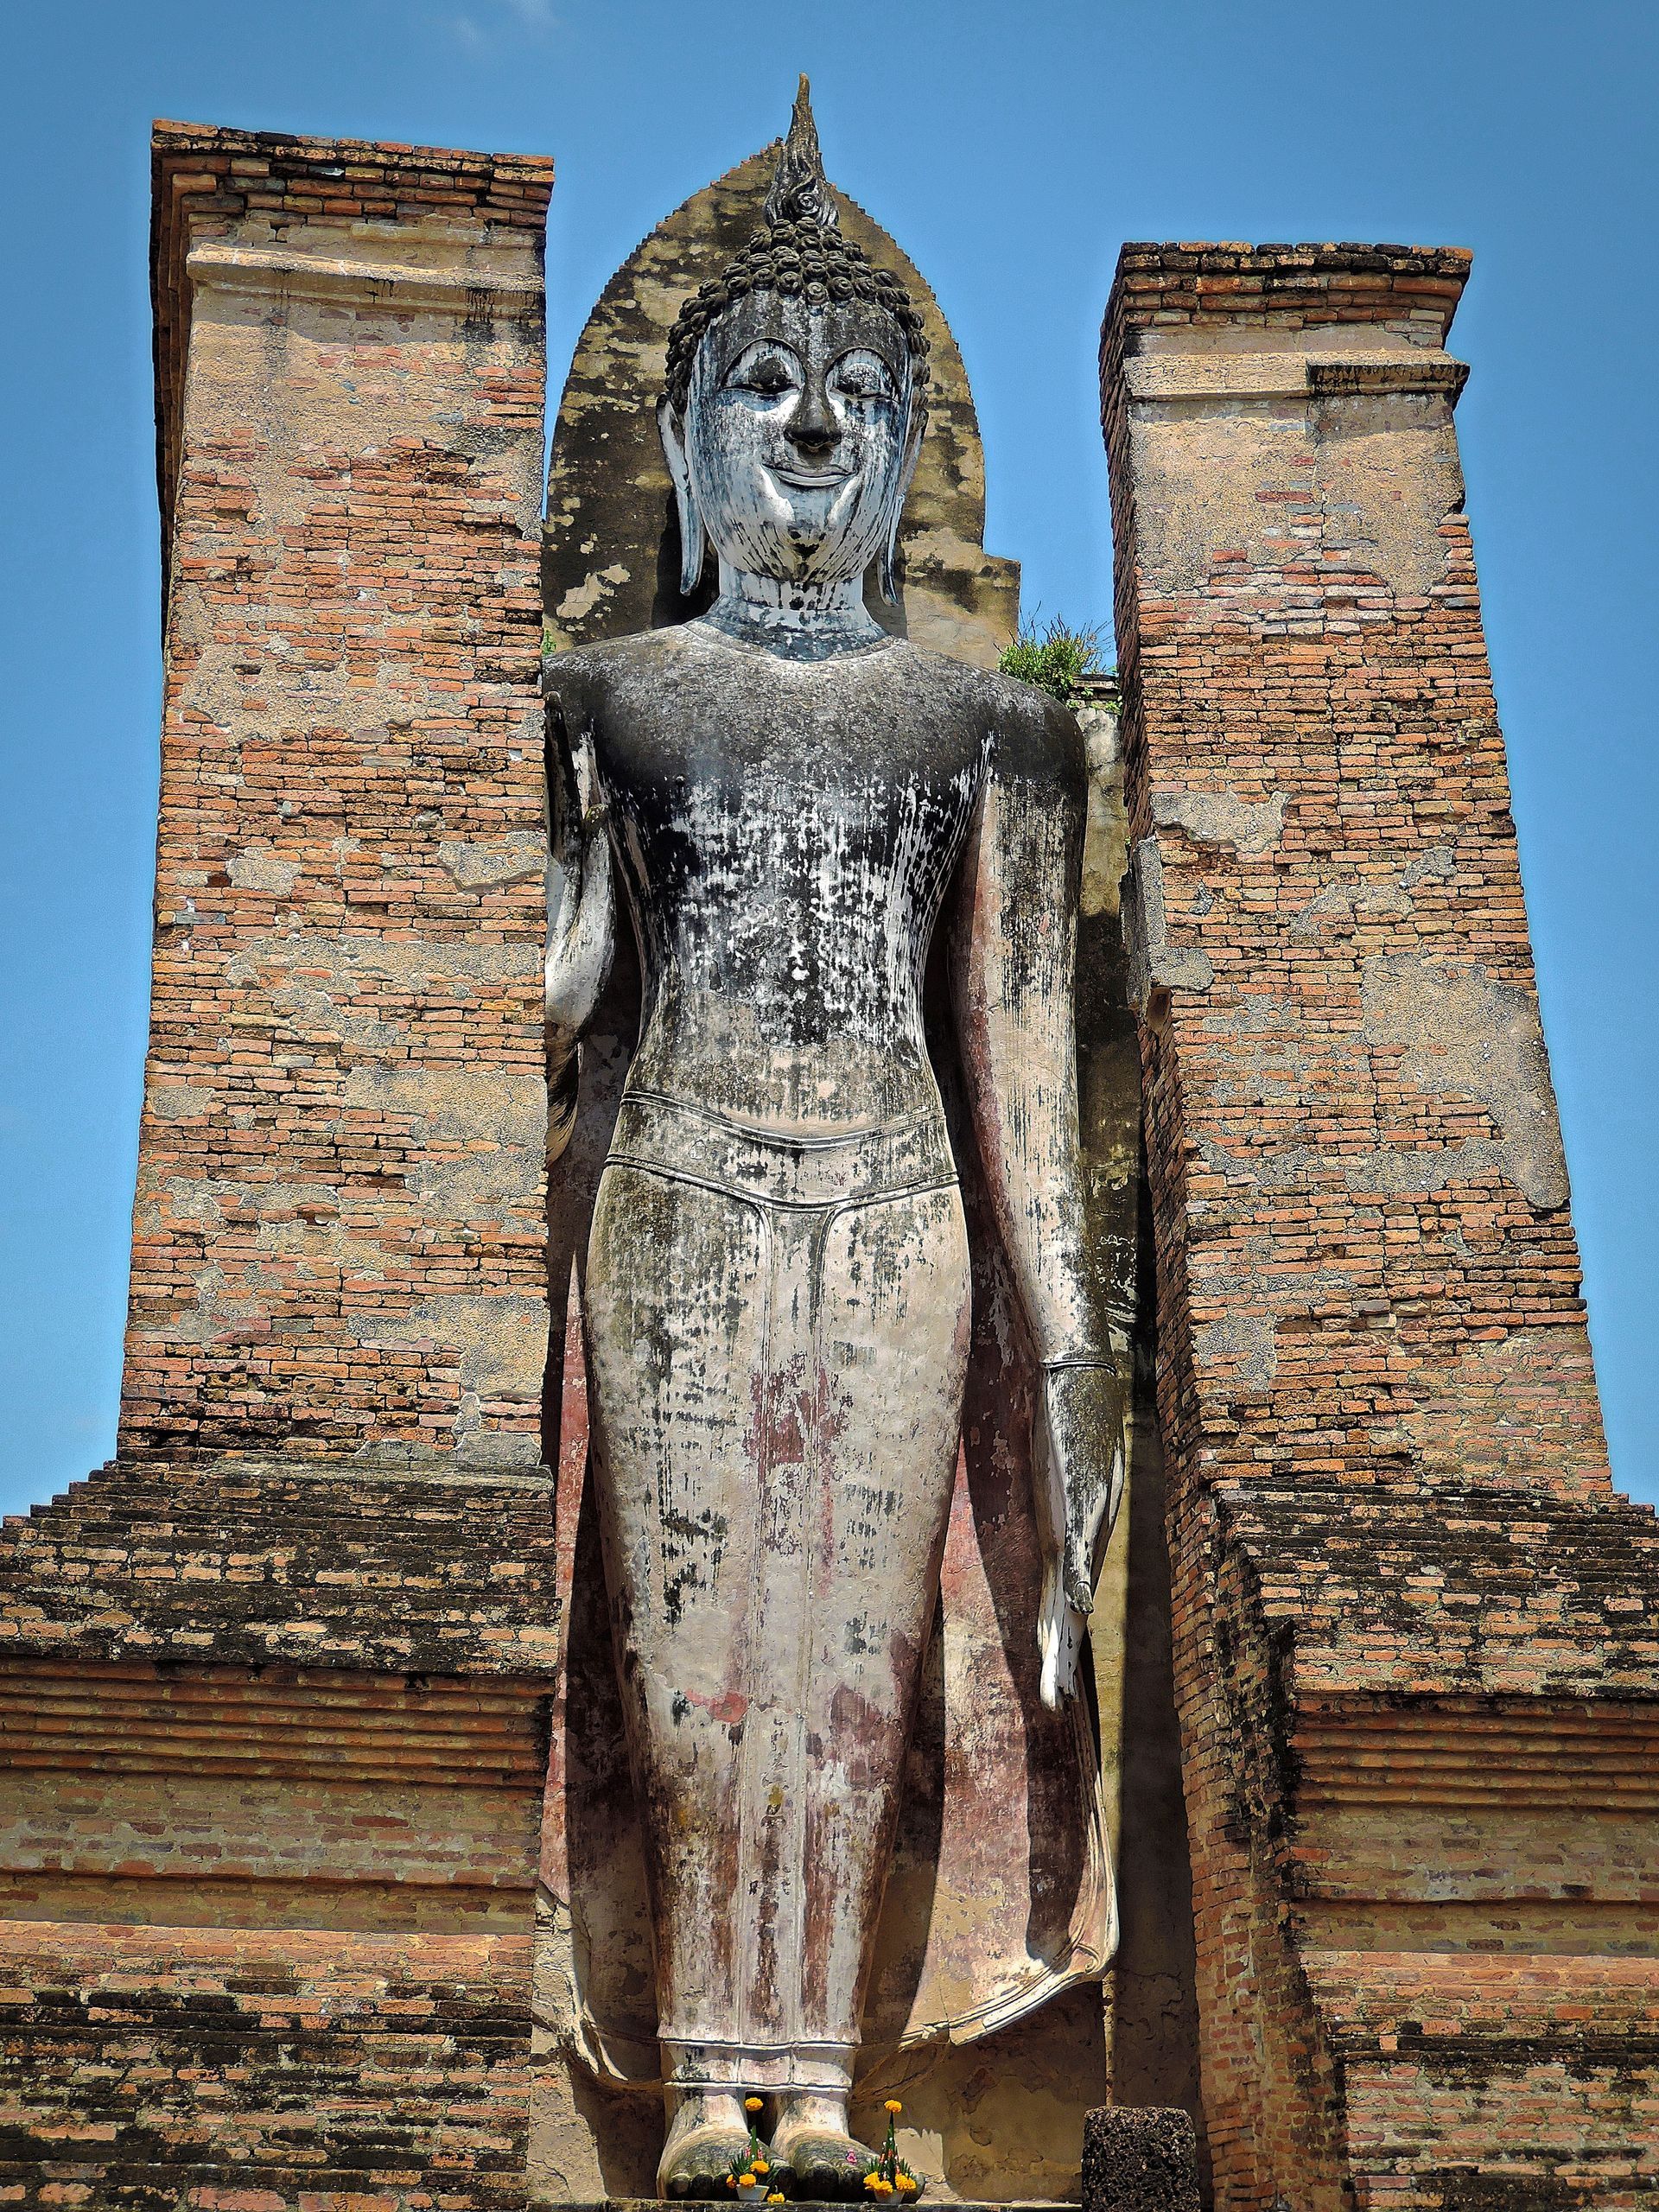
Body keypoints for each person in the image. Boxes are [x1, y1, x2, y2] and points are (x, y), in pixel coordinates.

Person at [543, 82, 1123, 2202]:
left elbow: (1021, 1071)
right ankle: (712, 2078)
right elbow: (556, 997)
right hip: (683, 1191)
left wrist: (1072, 1341)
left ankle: (833, 2088)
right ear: (685, 441)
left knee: (855, 1670)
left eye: (854, 393)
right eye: (761, 387)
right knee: (696, 1666)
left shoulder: (997, 730)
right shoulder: (612, 699)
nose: (810, 428)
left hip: (898, 1208)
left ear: (905, 449)